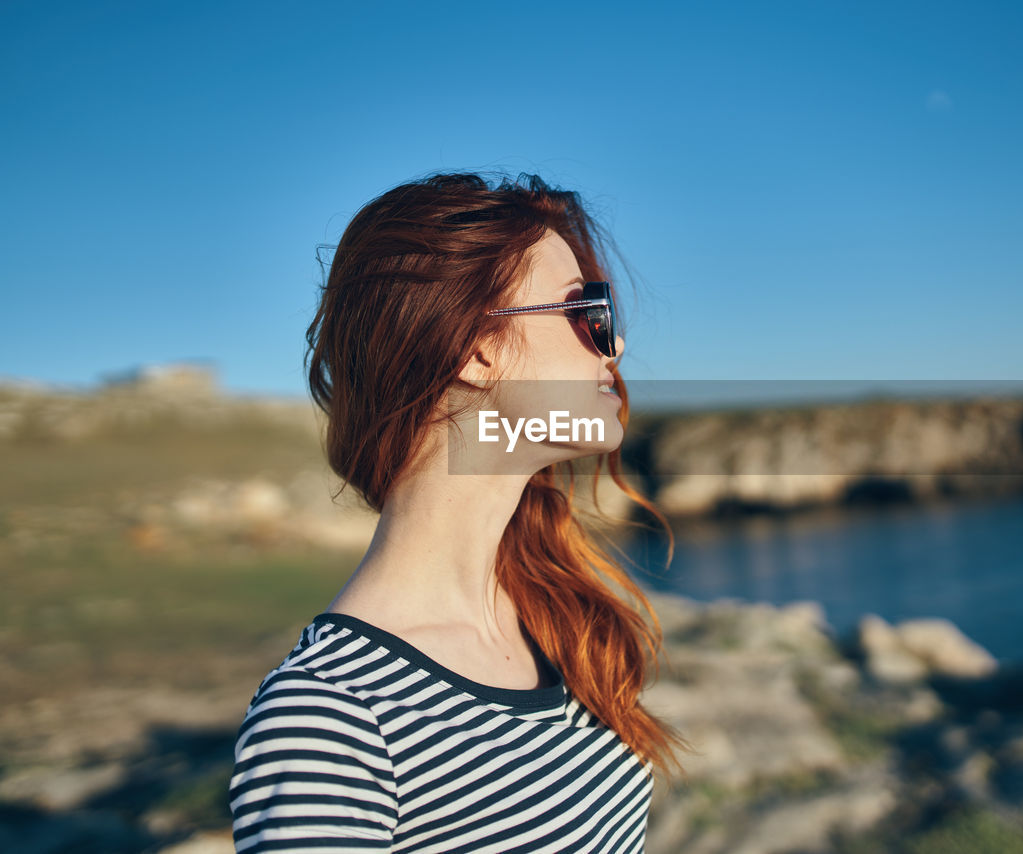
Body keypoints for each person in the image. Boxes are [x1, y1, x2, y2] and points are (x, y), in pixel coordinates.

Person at [228, 171, 691, 853]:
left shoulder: (550, 614)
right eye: (583, 308)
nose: (613, 346)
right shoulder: (331, 720)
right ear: (476, 349)